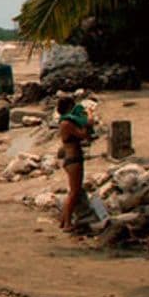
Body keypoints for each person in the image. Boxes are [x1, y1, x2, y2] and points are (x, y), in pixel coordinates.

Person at [56, 96, 90, 231]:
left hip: (71, 159)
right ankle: (68, 224)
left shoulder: (65, 122)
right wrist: (88, 119)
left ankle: (64, 221)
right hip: (73, 159)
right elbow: (83, 134)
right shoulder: (67, 123)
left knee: (73, 191)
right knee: (74, 192)